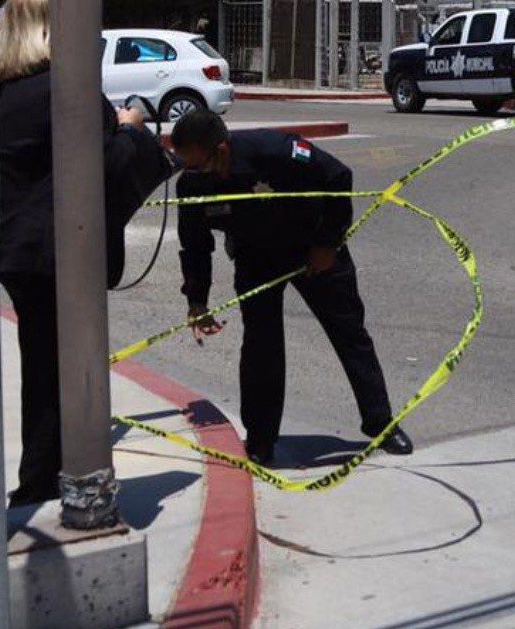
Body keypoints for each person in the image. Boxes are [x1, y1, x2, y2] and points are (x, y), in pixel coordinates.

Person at [171, 111, 411, 465]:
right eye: (185, 166)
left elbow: (338, 177)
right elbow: (194, 245)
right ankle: (261, 440)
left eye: (197, 165)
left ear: (220, 150)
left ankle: (380, 422)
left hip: (313, 248)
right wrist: (197, 300)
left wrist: (327, 244)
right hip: (256, 258)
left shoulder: (276, 150)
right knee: (260, 347)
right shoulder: (191, 185)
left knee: (349, 333)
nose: (190, 173)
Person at [0, 0, 148, 506]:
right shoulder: (67, 90)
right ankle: (59, 482)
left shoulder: (0, 92)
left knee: (42, 367)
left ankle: (38, 477)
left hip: (16, 253)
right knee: (67, 373)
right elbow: (104, 174)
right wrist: (131, 129)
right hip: (61, 255)